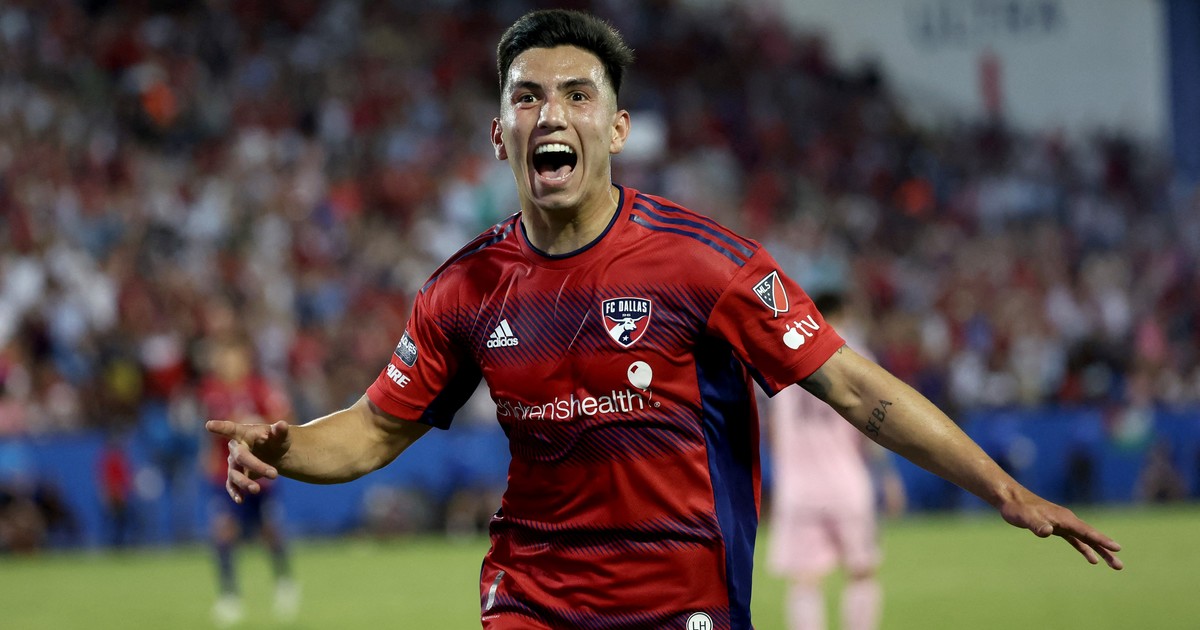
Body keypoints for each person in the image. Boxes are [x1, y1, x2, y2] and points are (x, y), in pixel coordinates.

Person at [207, 9, 1122, 629]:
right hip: (531, 595)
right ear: (499, 133)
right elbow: (374, 429)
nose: (549, 113)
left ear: (616, 129)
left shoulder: (704, 264)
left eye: (577, 95)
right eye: (526, 96)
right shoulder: (464, 289)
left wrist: (1004, 490)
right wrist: (288, 448)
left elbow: (854, 387)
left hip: (682, 600)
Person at [767, 293, 905, 630]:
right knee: (861, 572)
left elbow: (772, 428)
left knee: (805, 580)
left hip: (798, 488)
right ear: (842, 313)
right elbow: (873, 423)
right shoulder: (854, 353)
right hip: (846, 482)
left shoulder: (779, 355)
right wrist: (888, 475)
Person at [200, 335, 300, 626]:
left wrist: (259, 421)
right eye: (225, 359)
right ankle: (229, 596)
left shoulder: (260, 388)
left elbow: (284, 418)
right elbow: (211, 432)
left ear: (245, 360)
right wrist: (208, 457)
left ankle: (284, 583)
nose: (229, 364)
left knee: (269, 531)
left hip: (258, 474)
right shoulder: (211, 392)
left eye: (234, 359)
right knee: (223, 531)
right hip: (226, 475)